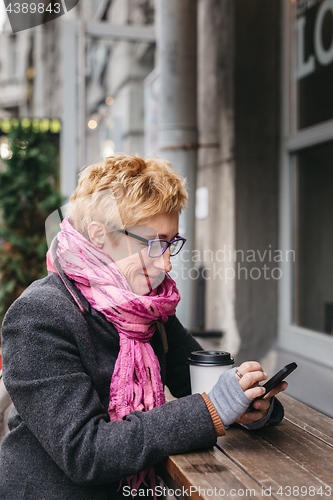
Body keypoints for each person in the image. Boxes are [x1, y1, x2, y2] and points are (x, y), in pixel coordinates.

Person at [0, 154, 286, 500]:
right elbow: (84, 453)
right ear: (99, 235)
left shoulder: (149, 309)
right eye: (153, 243)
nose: (165, 263)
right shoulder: (38, 316)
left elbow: (198, 382)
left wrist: (251, 405)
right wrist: (213, 409)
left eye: (171, 244)